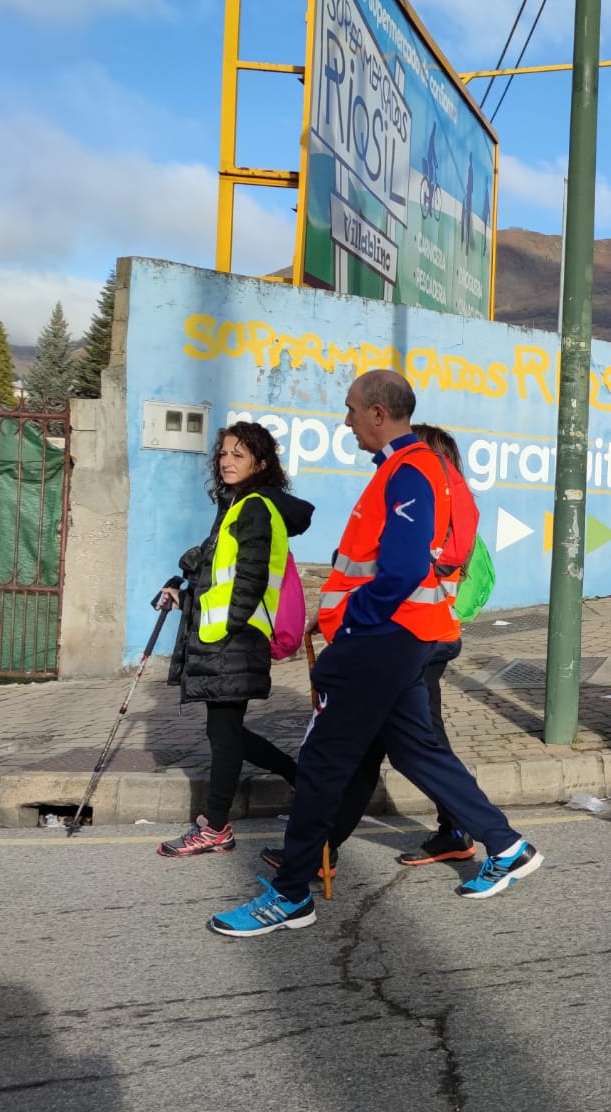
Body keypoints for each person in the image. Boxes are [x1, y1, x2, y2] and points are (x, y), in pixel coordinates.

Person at [208, 371, 541, 937]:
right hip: (403, 639)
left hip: (381, 640)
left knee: (320, 763)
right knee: (418, 752)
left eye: (351, 410)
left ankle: (290, 895)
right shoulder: (413, 468)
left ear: (379, 413)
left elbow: (405, 569)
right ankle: (507, 845)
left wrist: (354, 622)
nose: (346, 420)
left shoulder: (408, 469)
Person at [279, 424, 492, 869]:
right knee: (398, 745)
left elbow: (403, 576)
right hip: (423, 640)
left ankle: (489, 838)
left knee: (401, 748)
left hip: (412, 641)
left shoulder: (429, 509)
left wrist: (360, 618)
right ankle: (322, 852)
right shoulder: (456, 511)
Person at [156, 422, 314, 858]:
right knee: (222, 731)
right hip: (223, 635)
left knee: (223, 735)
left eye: (238, 455)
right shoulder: (237, 504)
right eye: (223, 454)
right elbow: (214, 561)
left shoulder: (256, 507)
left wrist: (229, 627)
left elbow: (250, 575)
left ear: (261, 464)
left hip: (231, 637)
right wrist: (182, 583)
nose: (226, 461)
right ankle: (294, 775)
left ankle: (217, 826)